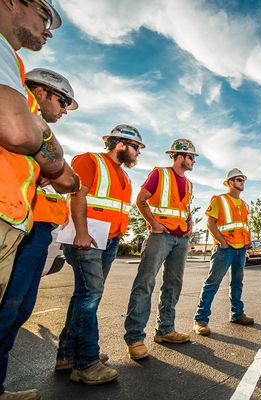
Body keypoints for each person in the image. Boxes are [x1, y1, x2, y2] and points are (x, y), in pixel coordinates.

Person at [0, 2, 78, 398]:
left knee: (15, 311)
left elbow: (61, 178)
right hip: (12, 221)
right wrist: (47, 142)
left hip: (21, 222)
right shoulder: (7, 67)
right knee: (7, 312)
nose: (63, 110)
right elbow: (21, 135)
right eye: (62, 101)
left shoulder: (23, 97)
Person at [56, 125, 144, 384]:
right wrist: (81, 233)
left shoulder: (124, 175)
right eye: (136, 147)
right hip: (88, 237)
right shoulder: (90, 160)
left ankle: (68, 355)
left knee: (83, 295)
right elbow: (78, 195)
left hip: (109, 239)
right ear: (120, 144)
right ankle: (86, 364)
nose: (137, 152)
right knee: (90, 296)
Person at [124, 139, 197, 360]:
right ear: (179, 156)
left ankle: (165, 330)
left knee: (173, 284)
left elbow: (184, 207)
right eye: (191, 157)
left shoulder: (190, 183)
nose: (194, 161)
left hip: (180, 238)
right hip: (160, 235)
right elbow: (141, 200)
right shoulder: (160, 174)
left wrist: (190, 226)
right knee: (145, 282)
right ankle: (135, 338)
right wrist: (154, 224)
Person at [193, 168, 254, 336]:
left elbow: (244, 226)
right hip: (224, 249)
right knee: (212, 283)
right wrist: (222, 242)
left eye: (243, 180)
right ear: (229, 183)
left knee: (237, 282)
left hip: (240, 248)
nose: (242, 183)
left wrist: (247, 243)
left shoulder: (244, 205)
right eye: (238, 180)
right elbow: (211, 224)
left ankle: (237, 314)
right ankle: (201, 320)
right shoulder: (219, 200)